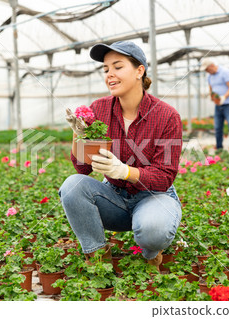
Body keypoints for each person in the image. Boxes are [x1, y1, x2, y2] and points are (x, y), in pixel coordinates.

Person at [59, 41, 183, 270]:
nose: (110, 75)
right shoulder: (100, 109)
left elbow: (165, 176)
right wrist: (79, 137)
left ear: (139, 71)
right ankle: (97, 257)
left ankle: (151, 252)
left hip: (153, 197)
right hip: (113, 197)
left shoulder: (166, 116)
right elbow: (83, 169)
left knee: (153, 230)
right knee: (73, 185)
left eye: (118, 67)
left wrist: (125, 171)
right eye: (106, 69)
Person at [201, 58, 229, 153]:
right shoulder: (210, 76)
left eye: (207, 69)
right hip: (218, 106)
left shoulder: (225, 72)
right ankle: (219, 149)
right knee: (218, 128)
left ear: (211, 66)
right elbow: (211, 88)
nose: (207, 71)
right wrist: (212, 97)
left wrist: (224, 97)